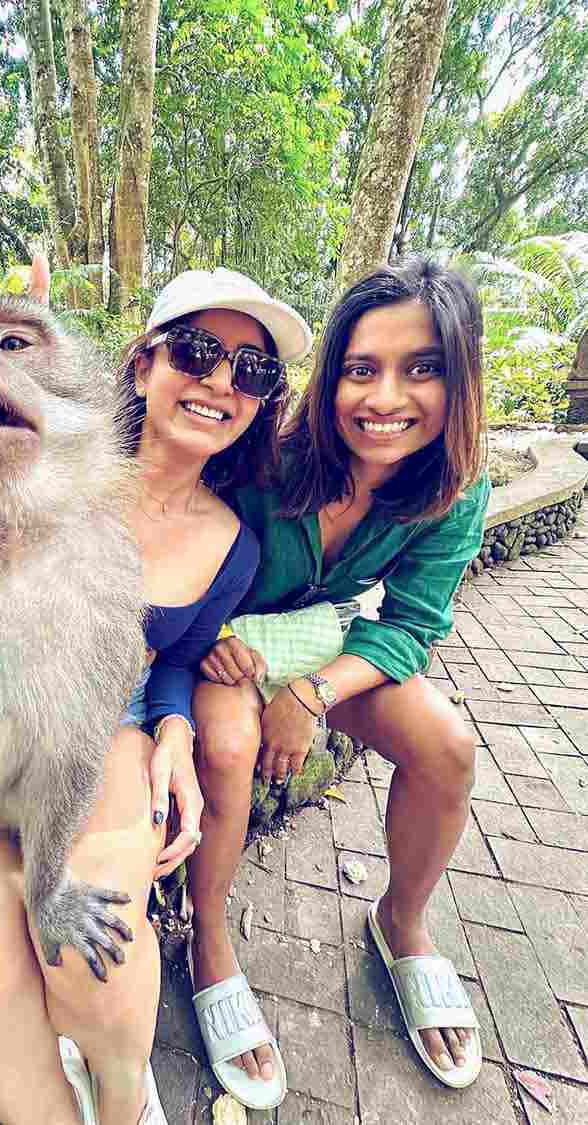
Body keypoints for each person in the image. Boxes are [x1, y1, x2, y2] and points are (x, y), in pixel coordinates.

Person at [0, 240, 312, 1124]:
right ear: (144, 361)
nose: (221, 382)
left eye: (250, 369)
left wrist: (174, 727)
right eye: (197, 352)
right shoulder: (40, 459)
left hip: (107, 733)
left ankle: (126, 1099)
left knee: (93, 934)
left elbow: (171, 656)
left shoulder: (232, 544)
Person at [188, 258, 489, 1094]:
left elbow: (413, 626)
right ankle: (208, 940)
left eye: (421, 368)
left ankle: (403, 923)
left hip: (321, 644)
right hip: (231, 639)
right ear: (332, 377)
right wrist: (204, 631)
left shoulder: (454, 490)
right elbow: (173, 526)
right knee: (227, 743)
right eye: (362, 368)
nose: (384, 398)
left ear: (459, 381)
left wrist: (311, 694)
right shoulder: (269, 449)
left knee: (448, 745)